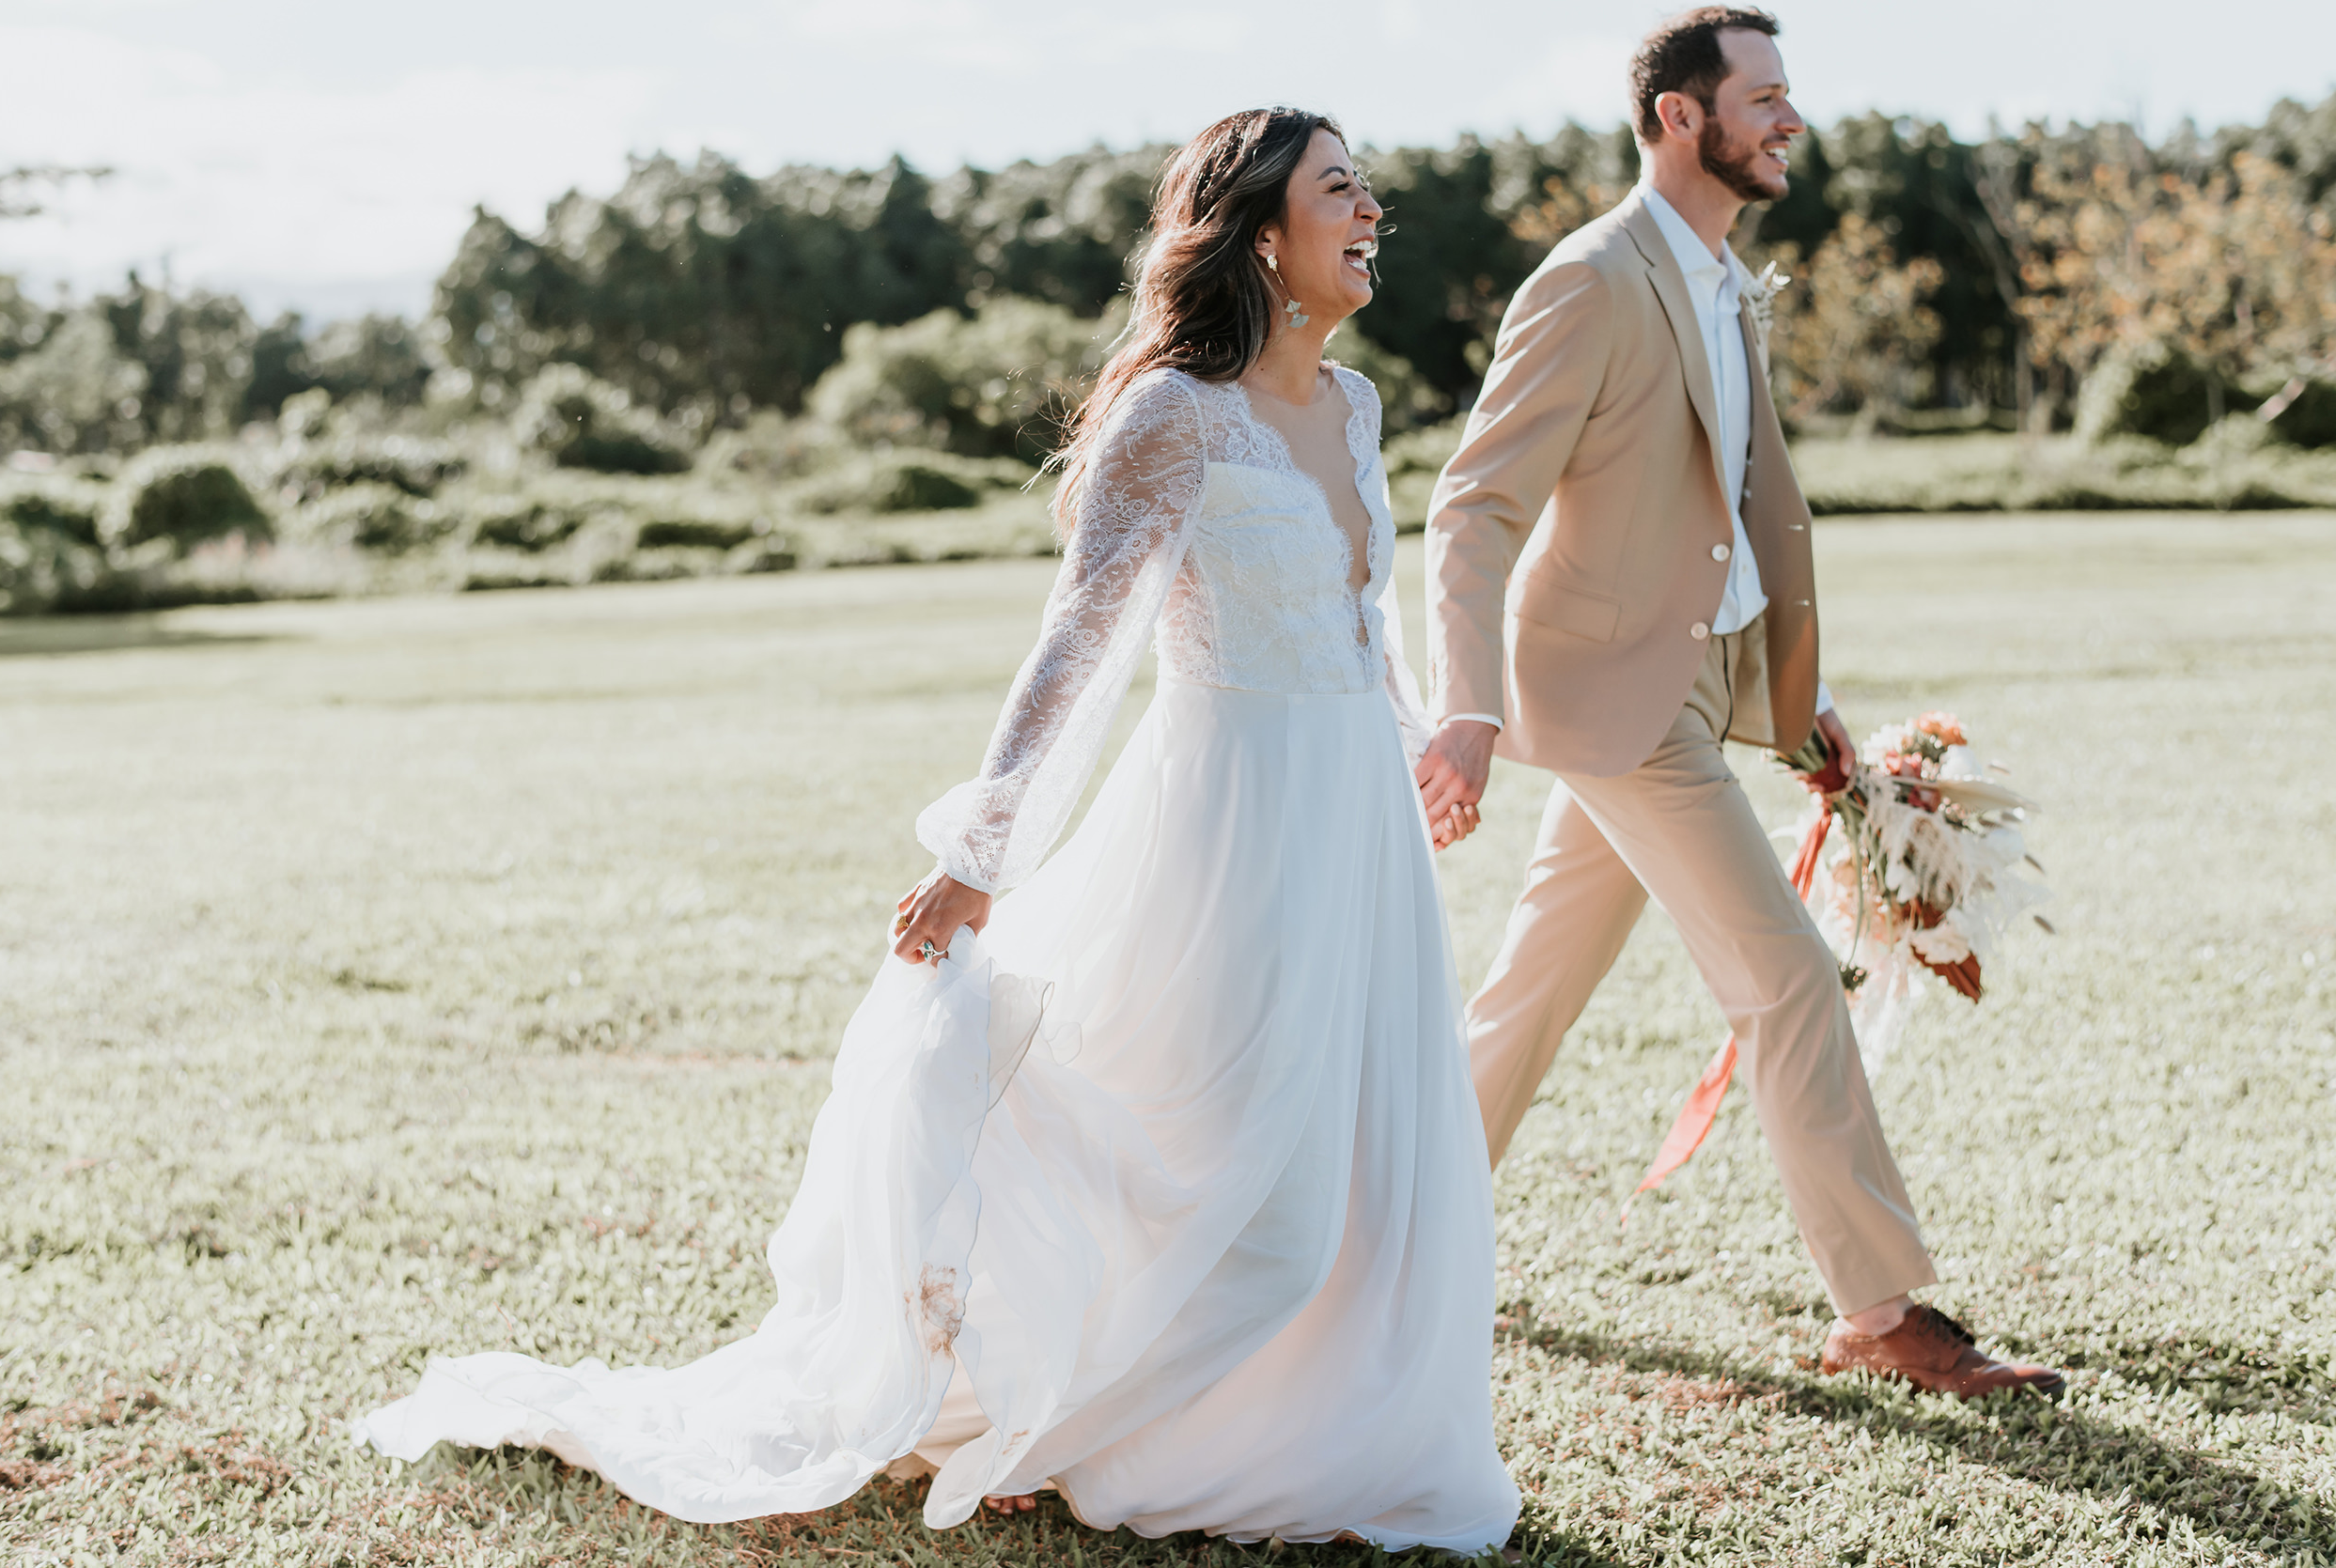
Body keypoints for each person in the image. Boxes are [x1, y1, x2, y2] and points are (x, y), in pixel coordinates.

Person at [355, 107, 1520, 1553]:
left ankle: (1328, 1441)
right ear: (1262, 231)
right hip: (1237, 829)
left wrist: (1418, 746)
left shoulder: (1355, 407)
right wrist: (982, 851)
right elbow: (1075, 646)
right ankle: (1073, 1412)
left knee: (1365, 1156)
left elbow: (1364, 614)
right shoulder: (1174, 415)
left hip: (1360, 829)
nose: (1371, 212)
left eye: (1367, 190)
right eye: (1340, 188)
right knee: (1232, 1164)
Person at [1413, 7, 2065, 1400]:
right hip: (1614, 700)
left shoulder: (1724, 279)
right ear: (1675, 118)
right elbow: (1471, 506)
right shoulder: (1593, 280)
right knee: (1785, 980)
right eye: (1763, 98)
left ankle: (1394, 1238)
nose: (1791, 121)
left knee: (1531, 988)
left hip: (1696, 683)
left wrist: (1797, 689)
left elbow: (1735, 505)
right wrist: (1463, 704)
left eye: (1790, 96)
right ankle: (1879, 1311)